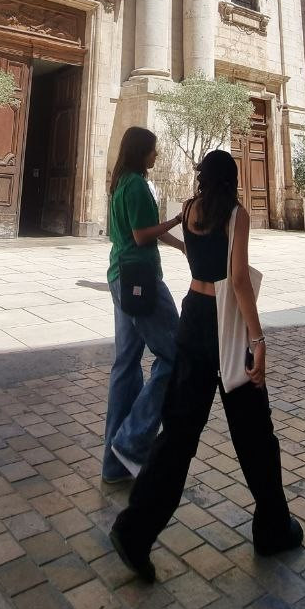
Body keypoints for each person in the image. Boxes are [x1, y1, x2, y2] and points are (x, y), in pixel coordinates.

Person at [110, 148, 302, 580]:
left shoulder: (189, 209)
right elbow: (237, 281)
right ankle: (272, 526)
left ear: (202, 178)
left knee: (177, 434)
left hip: (193, 317)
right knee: (255, 431)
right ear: (232, 179)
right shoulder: (236, 215)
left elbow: (194, 257)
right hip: (227, 325)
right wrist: (258, 338)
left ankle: (135, 529)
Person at [103, 127, 186, 484]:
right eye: (154, 150)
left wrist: (180, 246)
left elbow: (144, 228)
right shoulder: (136, 184)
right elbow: (143, 234)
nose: (157, 155)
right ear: (141, 152)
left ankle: (114, 465)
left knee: (125, 365)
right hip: (141, 280)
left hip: (120, 274)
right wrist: (180, 220)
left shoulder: (121, 183)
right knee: (176, 354)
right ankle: (133, 440)